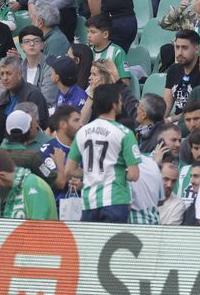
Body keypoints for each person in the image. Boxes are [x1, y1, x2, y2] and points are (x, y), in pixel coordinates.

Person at [60, 83, 142, 222]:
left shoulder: (82, 133)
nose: (121, 103)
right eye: (120, 100)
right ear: (114, 104)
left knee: (91, 243)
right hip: (116, 200)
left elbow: (69, 171)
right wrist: (114, 173)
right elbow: (134, 175)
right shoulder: (124, 133)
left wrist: (92, 172)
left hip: (89, 202)